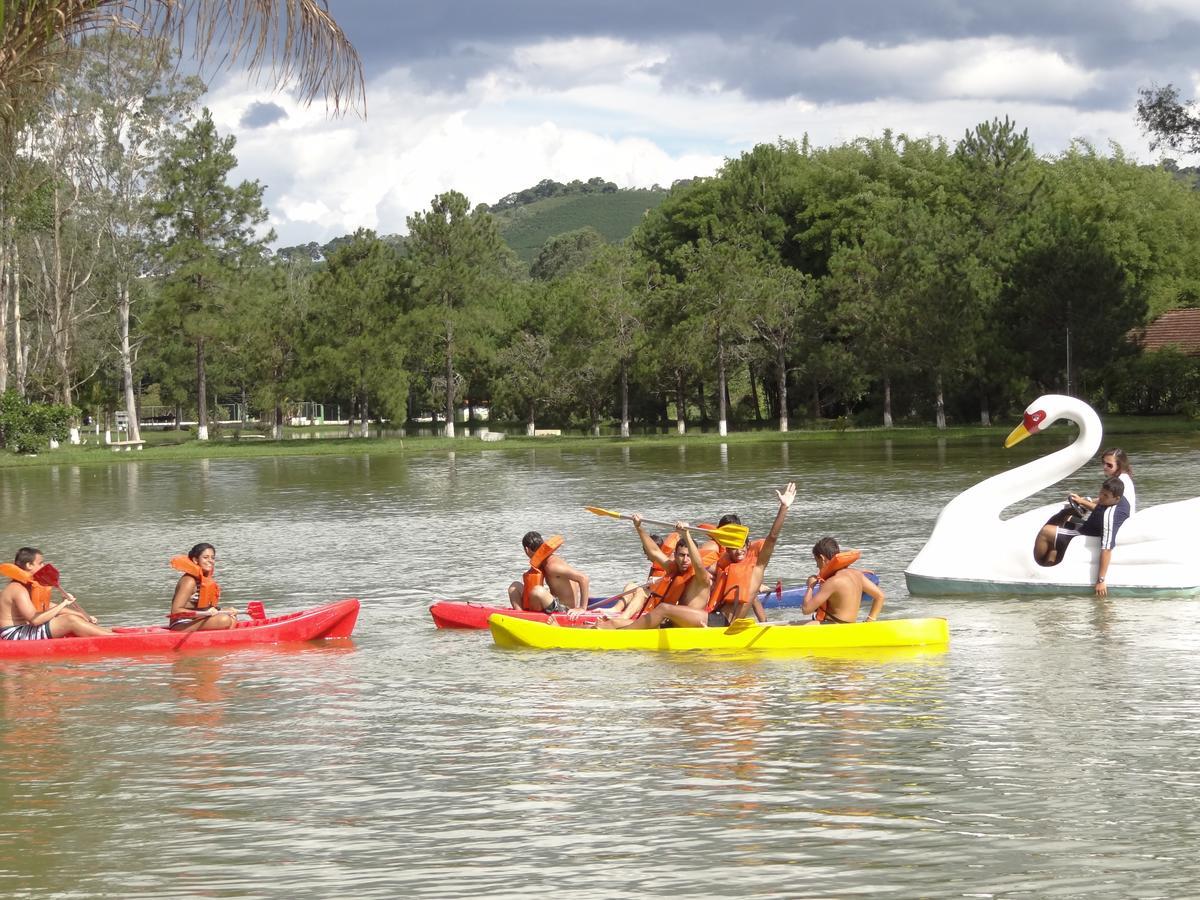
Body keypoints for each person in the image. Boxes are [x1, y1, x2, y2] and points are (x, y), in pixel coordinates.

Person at [703, 482, 797, 627]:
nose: (738, 550)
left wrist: (784, 507)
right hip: (716, 616)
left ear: (748, 545)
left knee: (667, 611)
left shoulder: (756, 565)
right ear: (727, 548)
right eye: (733, 546)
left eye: (741, 546)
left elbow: (772, 537)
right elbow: (700, 569)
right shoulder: (724, 561)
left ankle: (764, 622)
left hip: (722, 621)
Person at [599, 520, 715, 629]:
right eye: (681, 555)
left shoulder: (701, 576)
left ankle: (625, 633)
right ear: (675, 555)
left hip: (697, 621)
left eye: (688, 556)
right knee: (614, 623)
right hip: (675, 620)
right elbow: (654, 551)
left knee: (663, 608)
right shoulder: (673, 569)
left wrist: (686, 534)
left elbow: (698, 564)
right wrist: (638, 527)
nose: (685, 559)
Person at [1033, 476, 1131, 596]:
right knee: (1064, 518)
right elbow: (1099, 505)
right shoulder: (1118, 499)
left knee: (1046, 531)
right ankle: (1050, 566)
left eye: (1105, 495)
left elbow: (1106, 549)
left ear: (1116, 498)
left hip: (1086, 535)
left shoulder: (1110, 517)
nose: (1101, 497)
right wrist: (1082, 501)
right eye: (1101, 492)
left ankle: (1036, 565)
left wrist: (1101, 580)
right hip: (1090, 525)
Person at [0, 548, 112, 640]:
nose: (43, 566)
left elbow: (47, 606)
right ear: (29, 565)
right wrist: (63, 603)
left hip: (25, 630)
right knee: (69, 620)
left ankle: (111, 634)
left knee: (71, 617)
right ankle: (114, 638)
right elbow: (35, 620)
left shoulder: (27, 585)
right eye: (40, 563)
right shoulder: (17, 589)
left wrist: (82, 615)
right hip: (13, 634)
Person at [800, 538, 886, 624]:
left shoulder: (832, 582)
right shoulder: (858, 575)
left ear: (822, 558)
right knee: (789, 624)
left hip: (833, 627)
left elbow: (806, 610)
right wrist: (870, 620)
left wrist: (810, 586)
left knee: (789, 626)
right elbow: (880, 596)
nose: (817, 566)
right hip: (849, 626)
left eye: (816, 561)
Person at [507, 532, 590, 613]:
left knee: (537, 591)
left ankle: (531, 618)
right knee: (514, 587)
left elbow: (584, 578)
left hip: (564, 609)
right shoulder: (543, 563)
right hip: (554, 602)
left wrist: (582, 608)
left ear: (526, 550)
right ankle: (521, 615)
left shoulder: (552, 566)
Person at [169, 543, 240, 631]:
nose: (210, 560)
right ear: (195, 560)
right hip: (182, 624)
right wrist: (205, 613)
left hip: (197, 620)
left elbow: (203, 607)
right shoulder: (189, 581)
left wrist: (224, 610)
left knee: (232, 617)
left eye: (212, 558)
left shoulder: (203, 580)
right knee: (224, 620)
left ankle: (223, 642)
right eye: (205, 557)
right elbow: (175, 611)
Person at [1072, 448, 1136, 517]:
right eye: (1104, 463)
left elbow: (1104, 511)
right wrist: (1088, 501)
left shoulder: (1119, 482)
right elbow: (1104, 500)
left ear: (1119, 466)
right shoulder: (1124, 478)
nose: (1105, 467)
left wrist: (1081, 502)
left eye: (1109, 465)